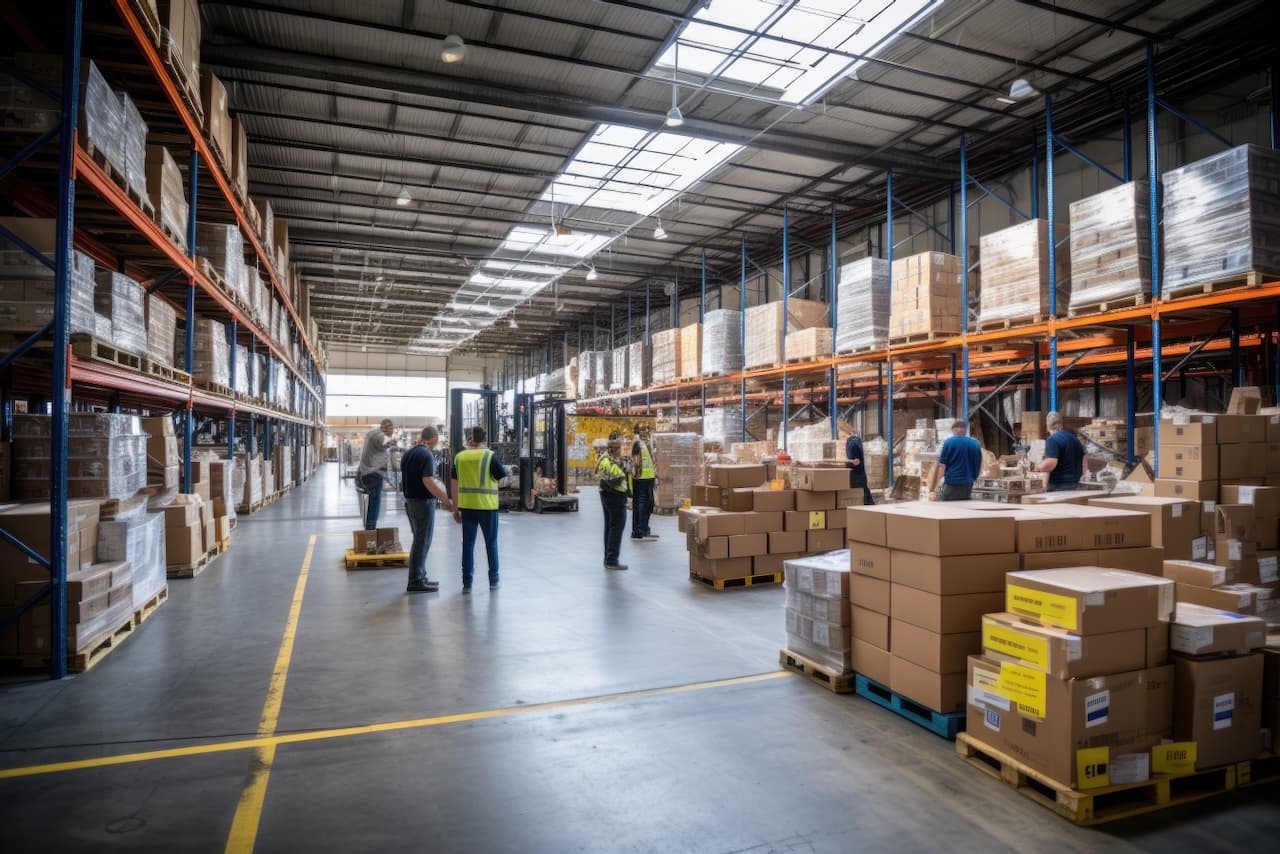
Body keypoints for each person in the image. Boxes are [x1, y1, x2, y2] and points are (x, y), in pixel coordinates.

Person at [450, 426, 507, 593]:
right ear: (484, 439)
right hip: (487, 507)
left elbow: (454, 483)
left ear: (470, 438)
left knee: (467, 545)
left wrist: (455, 508)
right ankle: (493, 581)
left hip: (467, 507)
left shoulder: (459, 457)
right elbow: (503, 479)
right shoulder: (489, 456)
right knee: (491, 544)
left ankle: (467, 584)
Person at [400, 426, 453, 594]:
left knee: (419, 540)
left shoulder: (409, 453)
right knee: (422, 541)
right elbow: (429, 481)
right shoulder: (426, 454)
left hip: (410, 501)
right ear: (434, 439)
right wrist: (446, 500)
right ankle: (416, 580)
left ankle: (420, 576)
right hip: (422, 503)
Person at [596, 438, 630, 570]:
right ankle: (611, 559)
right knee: (617, 526)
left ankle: (608, 557)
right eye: (620, 449)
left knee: (609, 526)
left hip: (605, 494)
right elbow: (619, 477)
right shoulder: (611, 462)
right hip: (615, 495)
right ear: (616, 450)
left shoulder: (604, 459)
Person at [358, 419, 396, 530]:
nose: (392, 431)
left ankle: (369, 532)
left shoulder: (372, 433)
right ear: (386, 427)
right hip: (373, 474)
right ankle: (370, 533)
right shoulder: (379, 435)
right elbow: (387, 442)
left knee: (372, 505)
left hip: (366, 473)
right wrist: (394, 441)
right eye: (391, 429)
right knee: (374, 506)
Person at [929, 420, 982, 501]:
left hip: (952, 482)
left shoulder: (948, 443)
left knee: (946, 507)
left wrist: (935, 490)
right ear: (965, 430)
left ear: (954, 430)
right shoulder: (976, 444)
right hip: (968, 484)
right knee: (963, 506)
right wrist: (973, 478)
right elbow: (978, 465)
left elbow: (942, 467)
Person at [1039, 411, 1086, 491]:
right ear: (1061, 424)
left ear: (1048, 426)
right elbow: (1084, 461)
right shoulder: (1075, 439)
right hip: (1074, 485)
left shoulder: (1052, 440)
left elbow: (1050, 464)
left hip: (1058, 487)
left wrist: (1037, 468)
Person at [630, 423, 659, 541]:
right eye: (645, 429)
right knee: (643, 504)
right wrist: (637, 473)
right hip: (642, 478)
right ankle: (640, 531)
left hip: (646, 477)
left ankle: (642, 530)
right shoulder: (637, 442)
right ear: (639, 431)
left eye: (648, 429)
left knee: (645, 504)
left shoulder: (643, 442)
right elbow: (636, 461)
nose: (648, 431)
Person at [845, 430, 875, 506]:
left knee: (861, 495)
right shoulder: (857, 441)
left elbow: (856, 461)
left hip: (856, 475)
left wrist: (846, 464)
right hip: (861, 474)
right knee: (864, 492)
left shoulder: (852, 444)